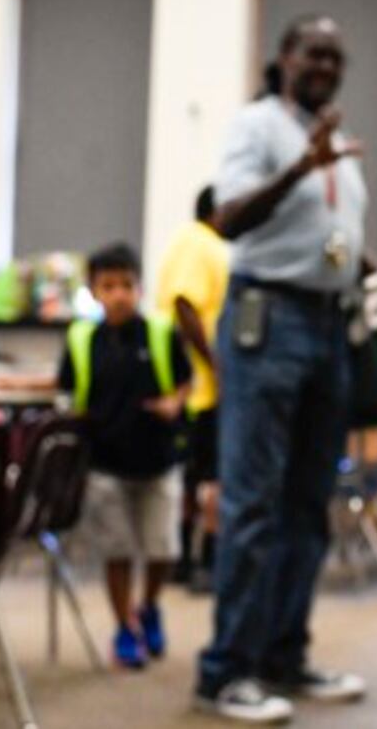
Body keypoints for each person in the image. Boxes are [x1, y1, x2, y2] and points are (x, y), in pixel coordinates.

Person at [195, 16, 369, 724]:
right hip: (267, 321)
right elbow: (227, 220)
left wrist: (371, 272)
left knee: (307, 503)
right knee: (254, 502)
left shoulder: (337, 144)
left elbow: (330, 239)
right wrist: (301, 168)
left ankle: (282, 656)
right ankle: (224, 671)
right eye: (313, 51)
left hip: (331, 326)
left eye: (336, 53)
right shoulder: (259, 127)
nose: (327, 62)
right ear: (284, 58)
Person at [57, 243, 193, 670]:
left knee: (161, 550)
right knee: (117, 551)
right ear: (94, 291)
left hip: (158, 460)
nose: (118, 294)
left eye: (127, 285)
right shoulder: (82, 340)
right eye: (108, 286)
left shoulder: (160, 333)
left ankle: (150, 605)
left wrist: (175, 401)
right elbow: (66, 392)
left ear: (140, 288)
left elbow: (187, 380)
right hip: (104, 463)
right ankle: (125, 627)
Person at [154, 185, 231, 592]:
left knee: (195, 478)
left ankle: (190, 559)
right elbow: (185, 304)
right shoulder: (200, 243)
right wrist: (214, 361)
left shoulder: (201, 243)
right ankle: (199, 560)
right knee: (207, 479)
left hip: (202, 386)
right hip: (201, 387)